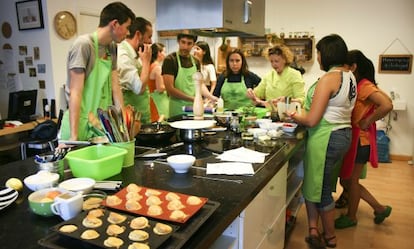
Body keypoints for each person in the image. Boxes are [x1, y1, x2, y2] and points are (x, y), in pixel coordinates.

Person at [288, 34, 357, 248]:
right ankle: (313, 228)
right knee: (316, 182)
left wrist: (293, 115)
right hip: (344, 133)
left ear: (325, 54)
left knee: (323, 188)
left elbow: (311, 119)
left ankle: (330, 236)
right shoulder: (350, 75)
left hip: (326, 136)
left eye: (318, 53)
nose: (317, 57)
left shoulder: (329, 78)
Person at [334, 50, 393, 229]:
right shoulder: (359, 84)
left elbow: (387, 104)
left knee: (350, 181)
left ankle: (353, 217)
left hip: (361, 141)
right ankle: (379, 208)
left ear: (353, 67)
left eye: (345, 67)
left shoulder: (364, 85)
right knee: (347, 180)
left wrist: (367, 120)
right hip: (357, 140)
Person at [60, 2, 135, 141]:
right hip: (79, 124)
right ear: (115, 24)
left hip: (100, 125)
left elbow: (115, 86)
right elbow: (75, 92)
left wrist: (122, 126)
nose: (128, 33)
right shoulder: (83, 45)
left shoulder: (112, 48)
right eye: (127, 27)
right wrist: (73, 136)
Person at [162, 33, 217, 118]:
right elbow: (170, 90)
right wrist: (193, 99)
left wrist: (211, 97)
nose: (185, 47)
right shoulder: (170, 60)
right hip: (177, 110)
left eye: (189, 43)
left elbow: (200, 84)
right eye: (183, 42)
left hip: (194, 109)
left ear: (194, 44)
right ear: (178, 41)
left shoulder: (196, 61)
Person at [117, 17, 153, 124]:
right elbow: (139, 88)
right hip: (130, 121)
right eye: (149, 37)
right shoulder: (123, 55)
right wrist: (146, 62)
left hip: (142, 117)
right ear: (138, 35)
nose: (150, 41)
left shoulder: (137, 55)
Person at [148, 42, 169, 122]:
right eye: (164, 51)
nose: (165, 54)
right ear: (159, 53)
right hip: (158, 101)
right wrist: (170, 86)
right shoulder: (157, 68)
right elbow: (160, 88)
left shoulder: (149, 66)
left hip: (151, 98)